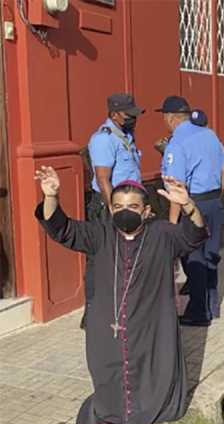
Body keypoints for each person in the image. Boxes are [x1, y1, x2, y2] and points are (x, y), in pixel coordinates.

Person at [34, 167, 208, 424]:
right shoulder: (99, 234)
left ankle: (152, 409)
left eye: (132, 206)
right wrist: (52, 196)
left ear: (147, 210)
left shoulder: (162, 233)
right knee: (109, 370)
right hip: (108, 322)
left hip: (151, 323)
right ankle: (114, 412)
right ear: (110, 209)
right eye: (117, 206)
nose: (124, 212)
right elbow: (62, 229)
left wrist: (188, 205)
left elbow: (195, 235)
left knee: (152, 371)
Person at [158, 96, 224, 326]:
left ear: (170, 118)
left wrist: (172, 226)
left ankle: (198, 312)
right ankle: (212, 305)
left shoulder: (176, 143)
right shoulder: (209, 134)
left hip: (192, 204)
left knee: (193, 258)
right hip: (215, 202)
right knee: (210, 255)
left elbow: (176, 188)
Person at [82, 93, 145, 329]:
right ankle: (92, 311)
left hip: (129, 203)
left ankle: (121, 307)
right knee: (100, 259)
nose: (133, 119)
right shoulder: (103, 139)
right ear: (115, 114)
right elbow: (103, 178)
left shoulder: (126, 136)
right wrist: (114, 211)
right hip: (108, 205)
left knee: (124, 257)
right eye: (129, 115)